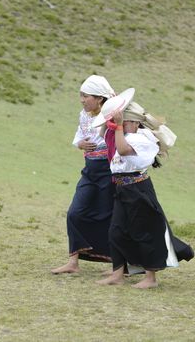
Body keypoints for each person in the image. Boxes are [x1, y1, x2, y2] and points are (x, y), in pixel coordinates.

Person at [96, 100, 193, 288]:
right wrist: (112, 122)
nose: (121, 125)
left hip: (138, 189)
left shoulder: (143, 138)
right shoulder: (123, 134)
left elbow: (123, 150)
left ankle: (151, 278)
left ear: (134, 123)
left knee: (145, 232)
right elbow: (107, 139)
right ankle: (117, 274)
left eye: (125, 122)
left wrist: (117, 127)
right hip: (122, 189)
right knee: (116, 230)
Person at [51, 75, 116, 274]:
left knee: (111, 217)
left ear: (99, 99)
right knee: (75, 212)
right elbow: (79, 135)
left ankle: (119, 265)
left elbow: (119, 140)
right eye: (81, 95)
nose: (82, 100)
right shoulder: (84, 115)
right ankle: (73, 262)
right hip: (90, 171)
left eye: (86, 96)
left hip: (109, 172)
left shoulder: (113, 116)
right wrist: (80, 144)